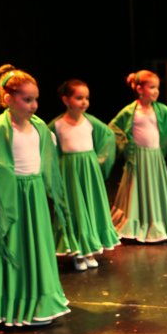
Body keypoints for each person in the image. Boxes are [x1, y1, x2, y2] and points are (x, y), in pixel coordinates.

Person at [0, 64, 70, 326]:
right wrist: (1, 176)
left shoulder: (38, 126)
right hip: (14, 196)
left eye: (36, 99)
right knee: (14, 246)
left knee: (37, 246)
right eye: (27, 99)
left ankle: (40, 299)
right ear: (9, 99)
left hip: (34, 195)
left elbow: (46, 151)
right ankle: (11, 303)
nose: (34, 105)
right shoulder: (0, 128)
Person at [48, 79, 120, 271]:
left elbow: (108, 136)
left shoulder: (90, 121)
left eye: (86, 98)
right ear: (66, 100)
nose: (84, 102)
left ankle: (90, 249)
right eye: (79, 98)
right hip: (70, 173)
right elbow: (47, 149)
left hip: (88, 171)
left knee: (89, 207)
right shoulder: (57, 125)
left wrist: (99, 160)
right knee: (75, 211)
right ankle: (78, 252)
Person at [110, 69, 167, 242]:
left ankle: (158, 222)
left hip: (154, 157)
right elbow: (114, 128)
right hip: (138, 158)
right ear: (139, 89)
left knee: (155, 189)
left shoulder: (159, 109)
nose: (156, 91)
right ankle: (136, 224)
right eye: (152, 87)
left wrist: (163, 144)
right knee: (136, 191)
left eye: (157, 88)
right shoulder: (131, 111)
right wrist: (127, 146)